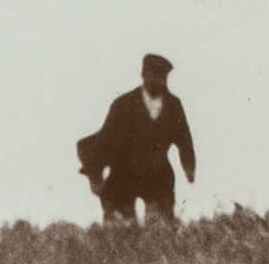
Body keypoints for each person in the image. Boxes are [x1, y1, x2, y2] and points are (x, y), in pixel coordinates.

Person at [77, 54, 198, 226]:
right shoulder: (123, 105)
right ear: (143, 74)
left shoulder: (173, 106)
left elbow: (184, 139)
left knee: (161, 231)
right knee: (120, 231)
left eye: (163, 76)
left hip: (159, 177)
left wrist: (189, 167)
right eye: (154, 75)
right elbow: (105, 140)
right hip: (123, 175)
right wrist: (95, 175)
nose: (159, 81)